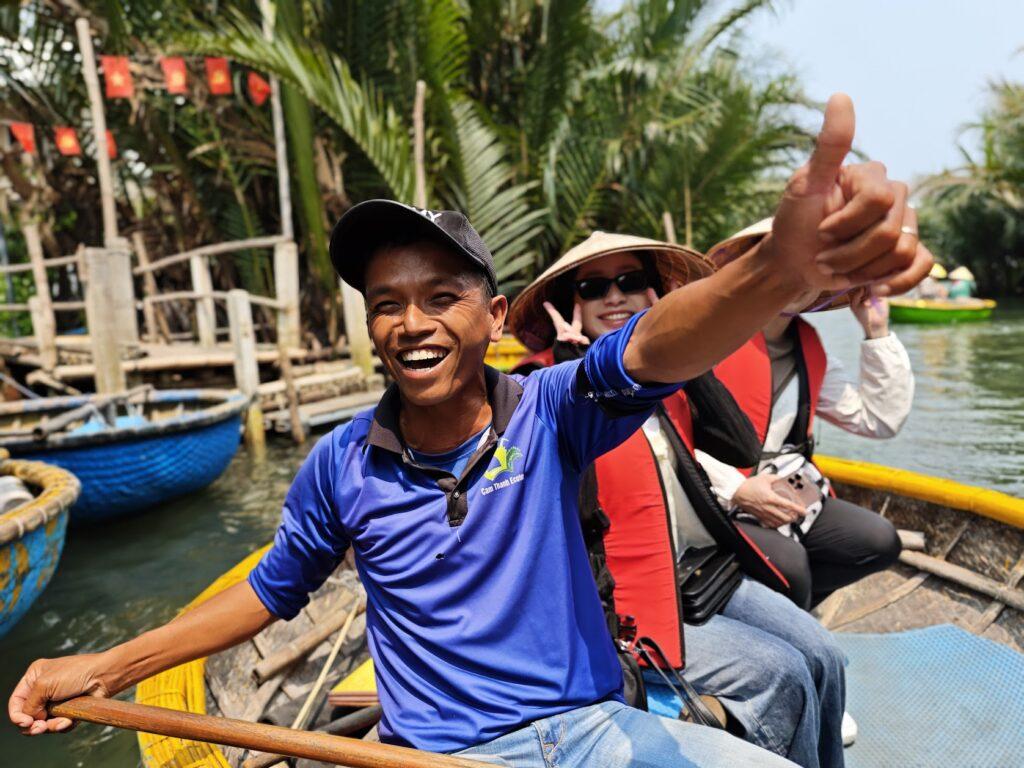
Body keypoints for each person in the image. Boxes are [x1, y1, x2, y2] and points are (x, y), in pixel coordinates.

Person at [9, 94, 931, 768]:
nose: (413, 324)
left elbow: (651, 348)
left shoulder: (553, 410)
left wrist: (775, 271)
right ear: (369, 326)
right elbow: (269, 594)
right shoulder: (337, 467)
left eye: (442, 298)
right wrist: (108, 663)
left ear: (493, 319)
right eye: (388, 305)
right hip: (439, 760)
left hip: (592, 734)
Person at [508, 232, 847, 768]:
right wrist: (578, 364)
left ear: (653, 294)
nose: (614, 297)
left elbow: (739, 446)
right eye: (594, 287)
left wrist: (680, 350)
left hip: (695, 573)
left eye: (632, 282)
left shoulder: (657, 371)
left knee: (826, 654)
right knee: (785, 671)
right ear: (568, 305)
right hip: (627, 599)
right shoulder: (538, 389)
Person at [696, 218, 914, 613]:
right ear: (755, 265)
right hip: (712, 494)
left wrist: (876, 331)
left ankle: (784, 615)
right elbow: (662, 433)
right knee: (792, 567)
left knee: (879, 542)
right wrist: (737, 489)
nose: (799, 277)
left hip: (786, 489)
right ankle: (786, 626)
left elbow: (878, 420)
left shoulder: (809, 344)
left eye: (815, 268)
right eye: (786, 262)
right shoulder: (705, 335)